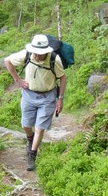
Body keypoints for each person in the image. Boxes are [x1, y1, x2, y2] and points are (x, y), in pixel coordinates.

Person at [5, 34, 66, 171]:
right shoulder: (26, 54)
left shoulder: (54, 59)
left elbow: (62, 77)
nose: (37, 56)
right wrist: (18, 80)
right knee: (26, 125)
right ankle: (30, 137)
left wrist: (60, 99)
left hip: (47, 97)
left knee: (39, 128)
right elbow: (7, 61)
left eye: (40, 54)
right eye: (35, 53)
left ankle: (31, 154)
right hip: (28, 95)